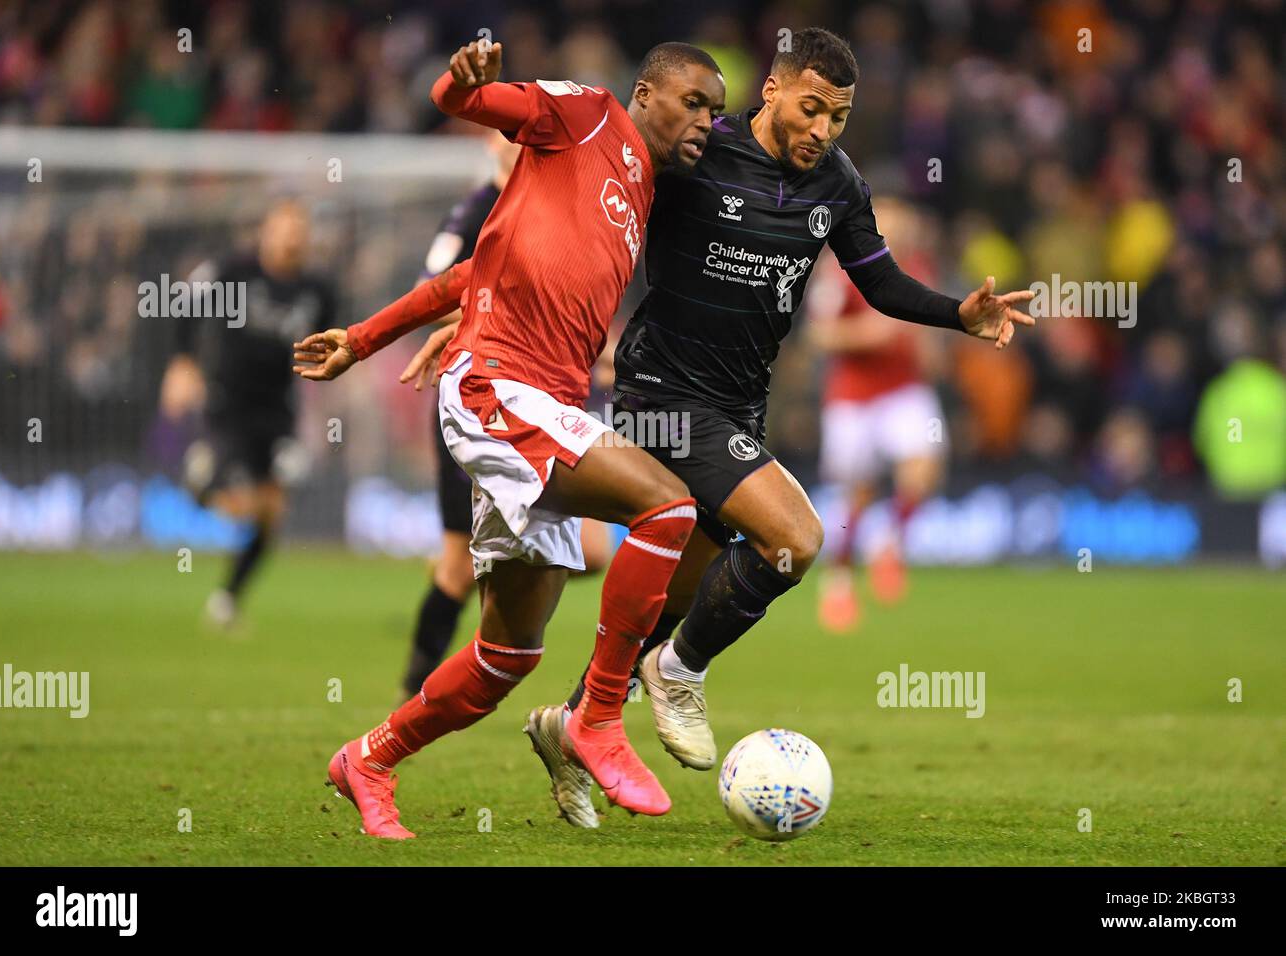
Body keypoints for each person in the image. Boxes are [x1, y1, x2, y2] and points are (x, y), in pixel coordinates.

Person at [414, 28, 1034, 826]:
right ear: (771, 92)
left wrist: (958, 314)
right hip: (662, 396)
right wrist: (486, 307)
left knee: (666, 601)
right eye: (810, 109)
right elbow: (580, 225)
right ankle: (681, 674)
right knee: (794, 540)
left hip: (740, 405)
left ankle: (571, 726)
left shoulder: (838, 185)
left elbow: (876, 280)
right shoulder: (699, 152)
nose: (822, 131)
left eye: (838, 119)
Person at [291, 38, 726, 837]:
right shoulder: (588, 116)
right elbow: (466, 105)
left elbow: (470, 273)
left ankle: (369, 758)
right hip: (497, 387)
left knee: (509, 654)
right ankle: (598, 716)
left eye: (716, 112)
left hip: (547, 407)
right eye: (694, 101)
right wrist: (464, 88)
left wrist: (362, 336)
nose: (705, 120)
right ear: (646, 93)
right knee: (670, 511)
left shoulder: (640, 196)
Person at [397, 133, 613, 701]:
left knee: (591, 553)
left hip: (544, 400)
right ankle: (411, 694)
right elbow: (431, 291)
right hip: (481, 401)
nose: (524, 145)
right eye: (510, 134)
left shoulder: (558, 207)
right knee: (455, 570)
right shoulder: (473, 213)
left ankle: (492, 621)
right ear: (494, 144)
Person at [161, 199, 336, 630]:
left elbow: (327, 346)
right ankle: (203, 484)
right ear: (266, 232)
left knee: (272, 512)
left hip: (277, 407)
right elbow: (184, 301)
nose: (293, 236)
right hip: (228, 400)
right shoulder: (234, 271)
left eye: (300, 228)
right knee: (246, 502)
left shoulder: (318, 290)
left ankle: (226, 600)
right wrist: (183, 362)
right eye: (285, 227)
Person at [804, 198, 949, 631]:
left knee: (924, 470)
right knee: (858, 496)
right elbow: (818, 335)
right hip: (852, 396)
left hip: (904, 388)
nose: (899, 225)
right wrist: (869, 334)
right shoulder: (840, 269)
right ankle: (839, 581)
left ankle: (889, 542)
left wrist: (932, 350)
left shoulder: (918, 264)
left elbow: (926, 332)